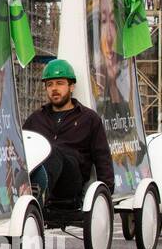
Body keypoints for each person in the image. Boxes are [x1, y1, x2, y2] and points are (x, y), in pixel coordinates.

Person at [22, 59, 114, 205]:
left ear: (71, 87)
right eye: (49, 84)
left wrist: (106, 194)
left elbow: (102, 157)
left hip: (71, 183)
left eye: (60, 83)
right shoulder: (36, 119)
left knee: (54, 151)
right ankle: (34, 194)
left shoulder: (88, 118)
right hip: (40, 175)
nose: (54, 89)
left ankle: (37, 197)